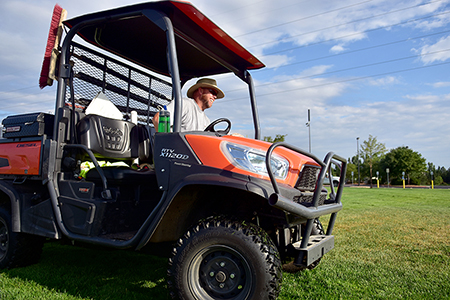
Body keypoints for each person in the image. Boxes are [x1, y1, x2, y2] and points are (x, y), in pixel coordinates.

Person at [152, 78, 224, 132]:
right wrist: (168, 144)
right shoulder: (184, 104)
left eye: (216, 95)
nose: (215, 97)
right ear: (201, 91)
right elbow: (157, 119)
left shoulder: (206, 121)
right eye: (212, 92)